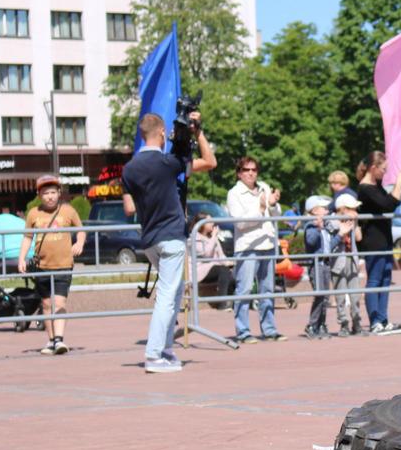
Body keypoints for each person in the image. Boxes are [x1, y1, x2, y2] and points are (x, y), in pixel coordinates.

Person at [122, 109, 217, 373]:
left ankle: (165, 349)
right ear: (162, 132)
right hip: (172, 236)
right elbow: (210, 161)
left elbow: (129, 209)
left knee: (173, 295)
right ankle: (153, 355)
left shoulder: (129, 169)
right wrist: (196, 133)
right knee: (167, 296)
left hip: (149, 238)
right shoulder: (168, 163)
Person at [18, 176, 86, 355]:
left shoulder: (68, 211)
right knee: (47, 304)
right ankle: (50, 340)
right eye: (46, 193)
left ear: (59, 193)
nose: (50, 197)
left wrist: (79, 243)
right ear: (39, 194)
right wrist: (21, 258)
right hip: (42, 266)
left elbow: (81, 229)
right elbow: (27, 237)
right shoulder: (33, 213)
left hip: (64, 264)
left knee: (60, 301)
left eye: (53, 192)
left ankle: (59, 339)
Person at [227, 156, 286, 344]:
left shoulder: (264, 187)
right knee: (244, 289)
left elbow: (277, 216)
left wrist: (274, 203)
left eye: (254, 169)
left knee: (267, 290)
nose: (251, 173)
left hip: (268, 243)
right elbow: (240, 223)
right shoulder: (234, 193)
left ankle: (269, 329)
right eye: (246, 170)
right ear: (239, 173)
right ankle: (243, 331)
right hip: (247, 247)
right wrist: (261, 209)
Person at [354, 153, 401, 334]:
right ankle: (375, 321)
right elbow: (389, 204)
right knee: (375, 279)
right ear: (373, 168)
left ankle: (383, 319)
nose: (385, 173)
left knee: (385, 279)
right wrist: (399, 183)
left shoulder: (377, 186)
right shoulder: (365, 188)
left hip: (385, 239)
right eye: (383, 169)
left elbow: (389, 202)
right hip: (373, 241)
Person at [328, 192, 366, 335]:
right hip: (338, 262)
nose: (355, 212)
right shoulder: (331, 221)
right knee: (340, 296)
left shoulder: (351, 220)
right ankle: (343, 324)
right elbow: (332, 232)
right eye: (351, 209)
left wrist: (355, 223)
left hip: (352, 260)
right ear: (342, 209)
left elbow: (359, 237)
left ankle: (357, 323)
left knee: (355, 295)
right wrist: (342, 227)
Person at [301, 196, 336, 339]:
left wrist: (339, 235)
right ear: (314, 210)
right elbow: (310, 241)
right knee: (319, 295)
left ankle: (321, 324)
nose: (327, 210)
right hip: (316, 265)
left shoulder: (326, 226)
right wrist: (317, 227)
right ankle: (312, 324)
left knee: (325, 297)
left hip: (326, 263)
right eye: (324, 208)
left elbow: (329, 246)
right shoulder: (310, 225)